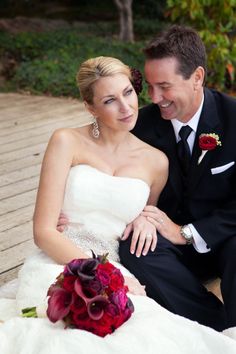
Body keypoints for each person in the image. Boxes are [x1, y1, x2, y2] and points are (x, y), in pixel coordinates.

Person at [1, 55, 236, 353]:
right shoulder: (65, 141)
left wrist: (145, 219)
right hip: (62, 261)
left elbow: (144, 216)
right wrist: (112, 277)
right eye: (110, 100)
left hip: (122, 267)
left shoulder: (156, 162)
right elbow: (44, 232)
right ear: (90, 107)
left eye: (128, 93)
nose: (126, 108)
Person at [118, 24, 236, 332]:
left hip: (224, 238)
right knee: (135, 248)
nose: (155, 98)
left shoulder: (233, 118)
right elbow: (114, 176)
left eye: (165, 86)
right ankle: (217, 326)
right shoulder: (141, 127)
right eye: (150, 87)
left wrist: (186, 232)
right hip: (169, 251)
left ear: (197, 77)